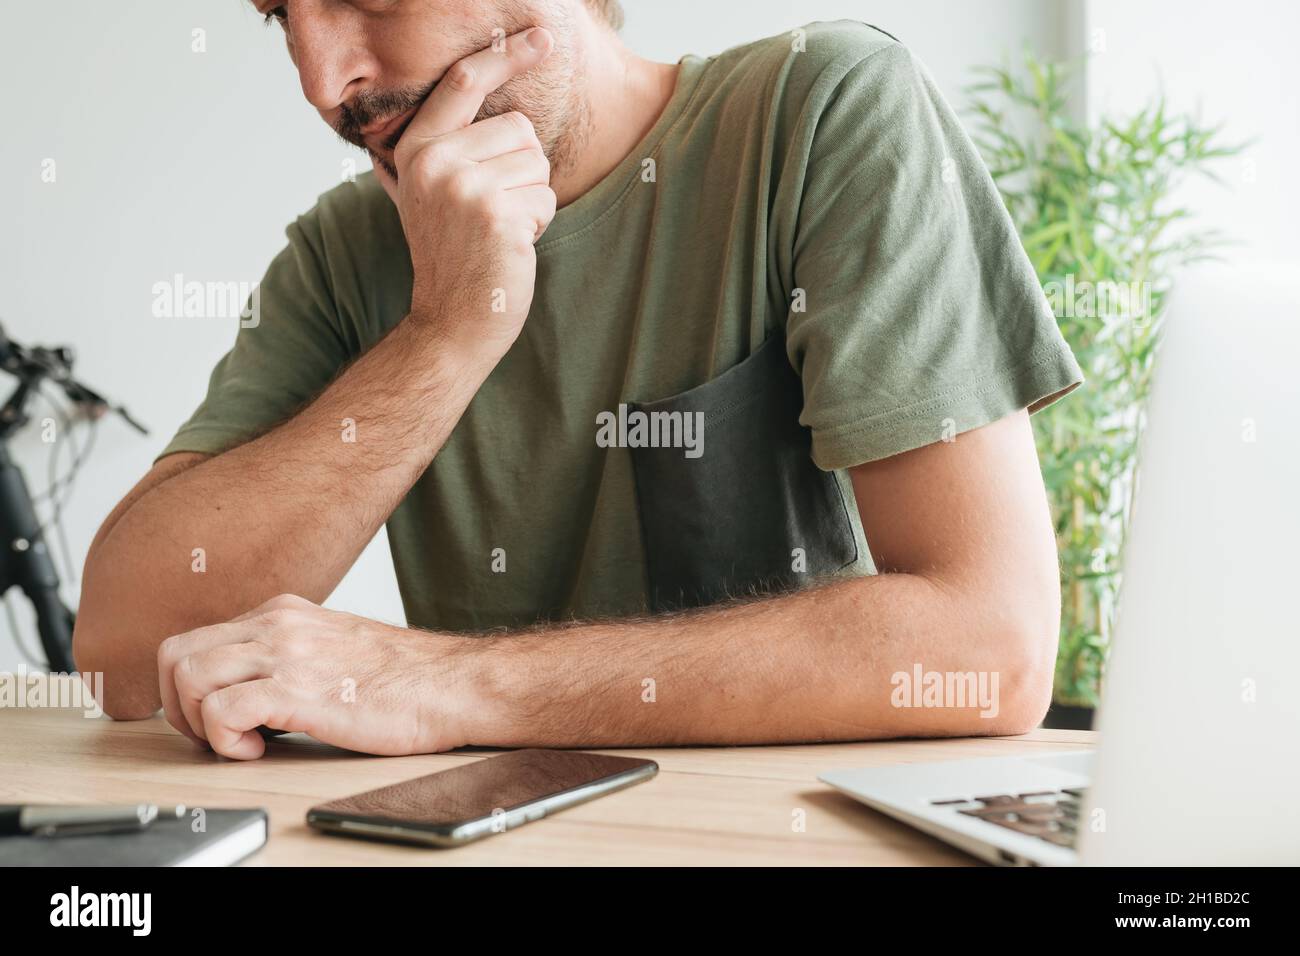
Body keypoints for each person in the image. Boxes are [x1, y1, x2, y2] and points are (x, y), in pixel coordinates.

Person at [74, 1, 1084, 760]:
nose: (322, 78)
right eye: (280, 14)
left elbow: (985, 641)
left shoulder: (821, 110)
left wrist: (443, 684)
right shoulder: (347, 254)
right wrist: (447, 331)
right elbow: (121, 647)